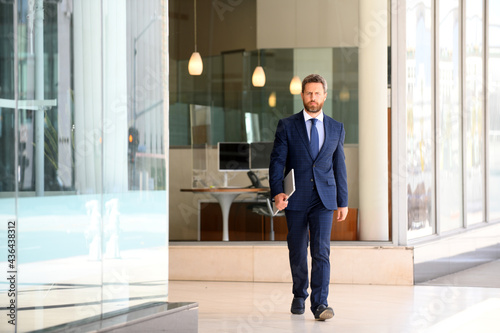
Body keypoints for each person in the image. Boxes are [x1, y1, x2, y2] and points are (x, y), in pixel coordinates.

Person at [269, 74, 348, 321]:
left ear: (325, 95)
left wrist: (343, 201)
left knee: (321, 251)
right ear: (302, 95)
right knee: (297, 249)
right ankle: (299, 294)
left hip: (324, 199)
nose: (313, 98)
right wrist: (276, 192)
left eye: (317, 93)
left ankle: (320, 303)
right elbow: (277, 161)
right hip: (295, 198)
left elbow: (339, 166)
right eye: (308, 93)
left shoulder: (336, 127)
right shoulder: (287, 125)